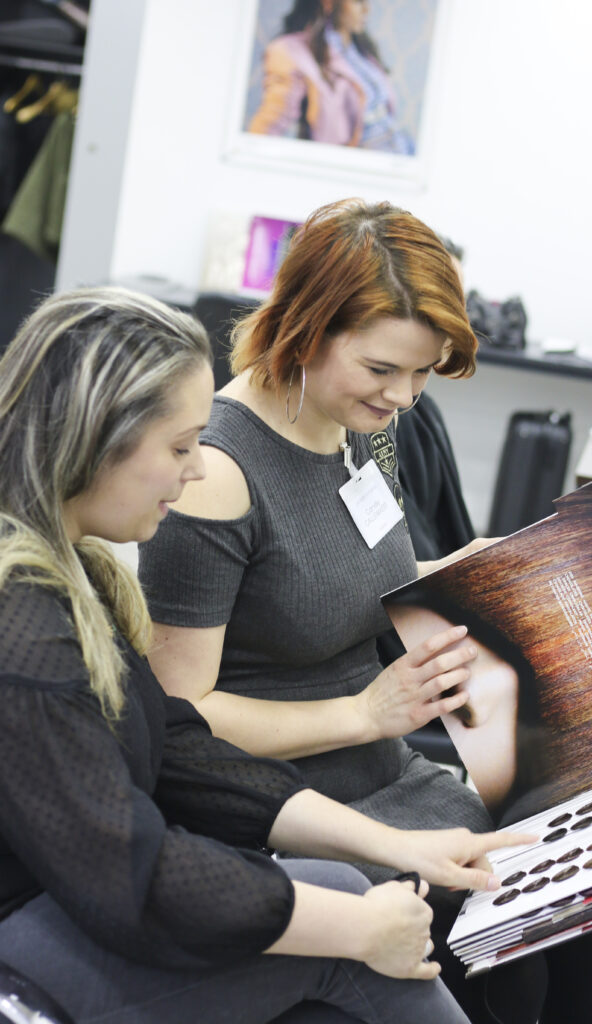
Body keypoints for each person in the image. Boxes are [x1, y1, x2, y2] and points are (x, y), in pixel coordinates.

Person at [139, 199, 592, 1024]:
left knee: (585, 905)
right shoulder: (219, 474)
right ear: (305, 328)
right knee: (507, 948)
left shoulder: (360, 432)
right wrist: (363, 711)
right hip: (288, 807)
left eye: (422, 372)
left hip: (391, 772)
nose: (406, 397)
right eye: (382, 369)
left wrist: (469, 570)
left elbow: (344, 577)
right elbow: (179, 716)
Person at [0, 285, 537, 1024]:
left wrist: (401, 848)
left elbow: (182, 751)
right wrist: (359, 928)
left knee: (354, 906)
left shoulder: (72, 575)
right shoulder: (24, 625)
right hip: (28, 935)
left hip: (78, 893)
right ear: (97, 437)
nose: (195, 472)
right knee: (351, 934)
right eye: (181, 447)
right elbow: (130, 871)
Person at [248, 0, 414, 153]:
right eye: (358, 1)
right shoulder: (292, 51)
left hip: (401, 147)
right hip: (360, 159)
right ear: (328, 3)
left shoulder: (362, 51)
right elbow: (274, 119)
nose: (366, 10)